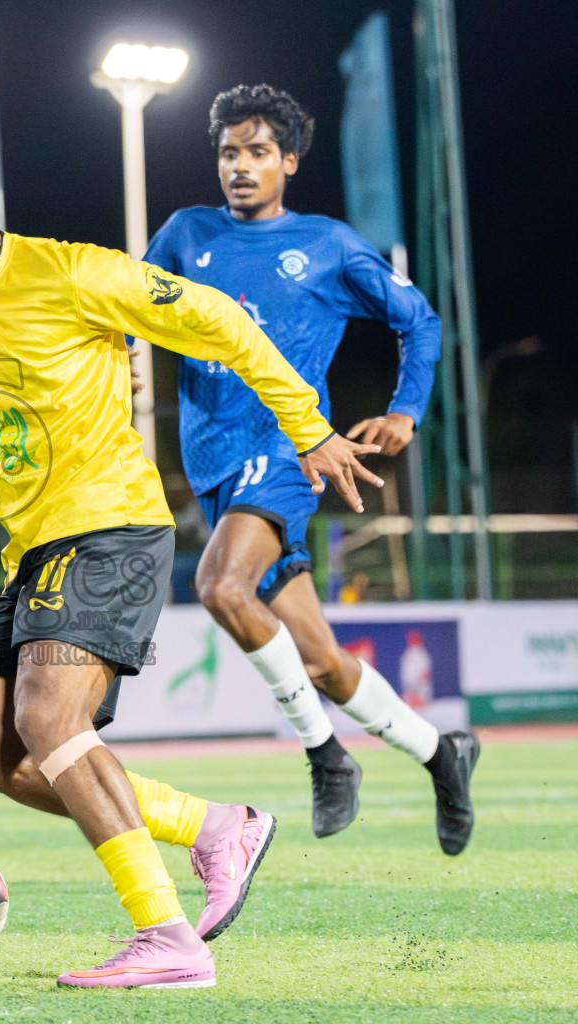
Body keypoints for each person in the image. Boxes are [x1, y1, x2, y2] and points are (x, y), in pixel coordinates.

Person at [0, 105, 379, 989]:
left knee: (49, 718)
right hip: (32, 551)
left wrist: (308, 428)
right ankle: (216, 828)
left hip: (111, 524)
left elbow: (222, 324)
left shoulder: (75, 274)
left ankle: (166, 938)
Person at [137, 84, 480, 854]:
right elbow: (127, 307)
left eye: (258, 152)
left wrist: (405, 410)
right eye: (229, 152)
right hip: (214, 468)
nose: (240, 166)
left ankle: (326, 757)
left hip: (290, 451)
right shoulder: (186, 234)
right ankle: (442, 753)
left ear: (289, 161)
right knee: (322, 659)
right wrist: (115, 355)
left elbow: (419, 320)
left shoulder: (327, 245)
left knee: (220, 586)